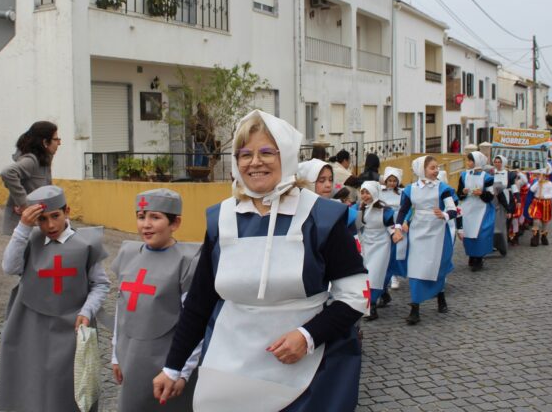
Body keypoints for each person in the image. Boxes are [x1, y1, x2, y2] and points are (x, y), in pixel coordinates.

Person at [153, 110, 368, 411]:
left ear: (288, 155)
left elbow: (355, 296)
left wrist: (308, 336)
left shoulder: (322, 217)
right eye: (245, 154)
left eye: (267, 152)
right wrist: (174, 367)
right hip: (231, 371)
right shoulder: (221, 219)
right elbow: (200, 301)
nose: (254, 162)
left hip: (310, 372)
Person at [0, 185, 109, 412]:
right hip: (30, 323)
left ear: (67, 210)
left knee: (66, 384)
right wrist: (23, 228)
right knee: (32, 380)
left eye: (55, 216)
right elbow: (10, 267)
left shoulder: (86, 243)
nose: (50, 225)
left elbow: (100, 284)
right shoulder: (30, 240)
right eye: (42, 219)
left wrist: (86, 311)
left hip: (71, 326)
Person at [111, 189, 201, 412]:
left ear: (175, 223)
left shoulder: (187, 261)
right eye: (141, 217)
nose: (146, 225)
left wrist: (183, 371)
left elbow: (196, 322)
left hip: (168, 363)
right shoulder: (128, 254)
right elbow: (121, 310)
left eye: (155, 217)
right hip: (131, 359)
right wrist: (116, 354)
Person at [393, 156, 457, 325]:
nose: (436, 170)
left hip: (437, 231)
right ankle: (415, 308)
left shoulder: (442, 188)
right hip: (417, 231)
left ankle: (440, 296)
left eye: (437, 167)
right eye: (432, 168)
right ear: (422, 170)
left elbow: (452, 209)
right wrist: (398, 227)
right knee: (416, 268)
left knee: (436, 266)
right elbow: (403, 211)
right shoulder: (410, 189)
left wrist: (444, 215)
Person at [0, 121, 60, 235]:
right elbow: (8, 173)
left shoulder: (44, 161)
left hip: (39, 225)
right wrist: (24, 205)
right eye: (56, 139)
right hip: (27, 229)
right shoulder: (32, 160)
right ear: (45, 142)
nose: (59, 143)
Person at [357, 181, 396, 321]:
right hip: (367, 244)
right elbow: (357, 226)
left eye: (367, 192)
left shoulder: (385, 210)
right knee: (367, 275)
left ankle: (372, 306)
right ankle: (383, 294)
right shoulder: (360, 208)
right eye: (362, 192)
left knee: (375, 274)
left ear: (374, 193)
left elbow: (391, 226)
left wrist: (395, 234)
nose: (365, 196)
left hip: (381, 245)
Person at [457, 151, 495, 272]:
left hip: (481, 208)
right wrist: (463, 192)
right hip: (468, 208)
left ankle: (479, 257)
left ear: (477, 162)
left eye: (470, 160)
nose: (468, 163)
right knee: (468, 233)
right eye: (467, 160)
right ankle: (472, 254)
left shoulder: (488, 178)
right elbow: (458, 193)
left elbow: (491, 195)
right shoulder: (463, 175)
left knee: (480, 233)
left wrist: (481, 193)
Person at [380, 167, 405, 290]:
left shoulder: (402, 192)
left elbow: (405, 208)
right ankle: (385, 274)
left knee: (396, 250)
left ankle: (394, 275)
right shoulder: (380, 191)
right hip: (384, 221)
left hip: (397, 221)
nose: (391, 183)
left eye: (394, 180)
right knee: (385, 249)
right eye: (389, 180)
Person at [491, 156, 513, 256]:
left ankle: (503, 244)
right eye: (495, 162)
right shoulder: (491, 173)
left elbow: (513, 187)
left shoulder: (509, 174)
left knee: (503, 223)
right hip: (494, 199)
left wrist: (516, 200)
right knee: (494, 223)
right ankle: (494, 244)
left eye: (499, 162)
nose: (497, 163)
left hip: (506, 198)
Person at [528, 170, 552, 246]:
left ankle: (544, 236)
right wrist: (537, 182)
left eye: (543, 175)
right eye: (539, 175)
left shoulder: (550, 184)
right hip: (537, 202)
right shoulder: (537, 183)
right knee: (536, 219)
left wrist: (545, 196)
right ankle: (535, 237)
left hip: (546, 203)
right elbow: (531, 189)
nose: (541, 176)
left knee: (545, 221)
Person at [192, 103, 214, 167]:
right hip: (199, 142)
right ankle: (197, 176)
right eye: (200, 107)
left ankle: (204, 176)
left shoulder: (209, 118)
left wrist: (208, 131)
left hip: (207, 142)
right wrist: (196, 129)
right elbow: (192, 131)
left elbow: (212, 130)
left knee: (205, 161)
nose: (202, 109)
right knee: (198, 160)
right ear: (198, 108)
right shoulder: (195, 118)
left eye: (203, 107)